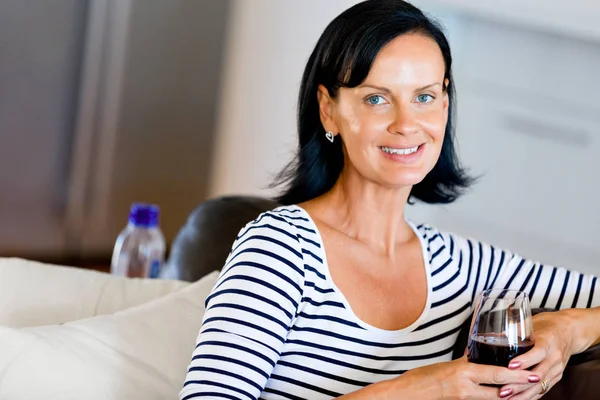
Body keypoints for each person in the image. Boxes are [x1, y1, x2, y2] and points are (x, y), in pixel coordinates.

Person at [180, 1, 600, 399]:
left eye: (424, 96)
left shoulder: (457, 266)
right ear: (328, 110)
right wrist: (426, 388)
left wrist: (567, 329)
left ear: (445, 103)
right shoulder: (280, 249)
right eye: (376, 98)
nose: (406, 124)